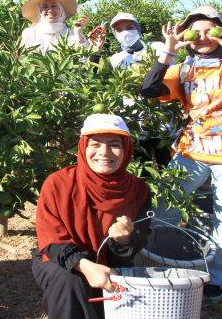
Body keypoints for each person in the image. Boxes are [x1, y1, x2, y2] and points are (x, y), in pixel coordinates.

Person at [139, 5, 222, 299]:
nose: (201, 37)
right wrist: (168, 51)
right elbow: (148, 90)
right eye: (194, 31)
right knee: (164, 207)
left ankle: (218, 278)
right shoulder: (182, 67)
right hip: (191, 151)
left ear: (220, 31)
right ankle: (162, 259)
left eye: (208, 30)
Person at [32, 114, 152, 319]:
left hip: (113, 263)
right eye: (95, 144)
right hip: (59, 258)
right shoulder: (58, 184)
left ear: (126, 150)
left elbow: (134, 247)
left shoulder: (138, 190)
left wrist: (122, 241)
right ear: (83, 147)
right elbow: (51, 239)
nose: (104, 153)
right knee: (71, 282)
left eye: (115, 144)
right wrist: (85, 265)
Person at [21, 0, 104, 53]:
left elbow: (84, 58)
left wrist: (78, 32)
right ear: (40, 11)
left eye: (54, 6)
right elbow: (22, 59)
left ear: (61, 10)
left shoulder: (71, 34)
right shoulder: (30, 33)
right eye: (45, 7)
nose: (50, 10)